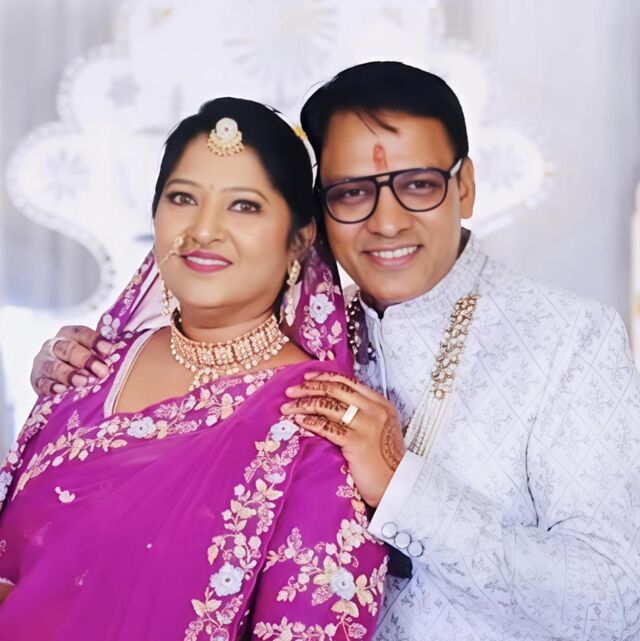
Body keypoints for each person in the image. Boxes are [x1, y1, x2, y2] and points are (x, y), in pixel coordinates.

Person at [27, 62, 640, 641]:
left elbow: (615, 603)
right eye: (351, 193)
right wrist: (77, 397)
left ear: (466, 187)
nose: (388, 222)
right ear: (318, 217)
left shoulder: (568, 339)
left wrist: (403, 488)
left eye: (419, 185)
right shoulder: (293, 345)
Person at [0, 97, 388, 641]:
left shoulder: (315, 419)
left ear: (299, 239)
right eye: (183, 198)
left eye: (244, 206)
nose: (204, 229)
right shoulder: (91, 368)